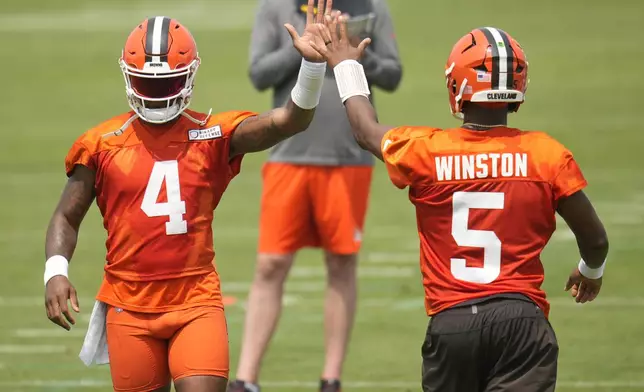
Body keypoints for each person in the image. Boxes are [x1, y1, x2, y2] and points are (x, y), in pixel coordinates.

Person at [42, 1, 336, 391]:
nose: (160, 94)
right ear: (130, 78)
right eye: (149, 83)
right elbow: (67, 215)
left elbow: (290, 120)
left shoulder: (212, 134)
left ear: (189, 76)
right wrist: (55, 271)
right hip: (128, 303)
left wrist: (313, 67)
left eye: (169, 83)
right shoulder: (101, 144)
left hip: (195, 300)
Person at [311, 17, 609, 392]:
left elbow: (365, 131)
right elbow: (595, 239)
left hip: (453, 322)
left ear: (457, 85)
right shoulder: (546, 154)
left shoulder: (428, 150)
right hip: (522, 322)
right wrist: (590, 271)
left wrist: (347, 66)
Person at [229, 1, 401, 392]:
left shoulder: (371, 7)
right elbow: (259, 73)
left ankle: (331, 379)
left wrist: (354, 52)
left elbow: (392, 74)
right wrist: (303, 46)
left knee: (341, 263)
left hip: (349, 157)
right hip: (288, 155)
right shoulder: (275, 8)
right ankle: (246, 379)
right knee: (270, 264)